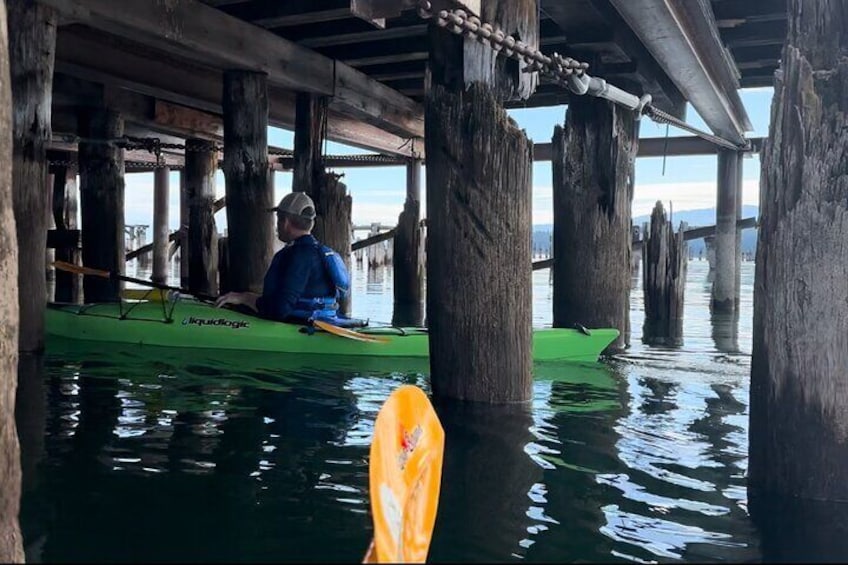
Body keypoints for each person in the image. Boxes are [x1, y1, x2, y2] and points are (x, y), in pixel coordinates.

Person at [215, 191, 349, 323]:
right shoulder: (319, 252)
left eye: (278, 218)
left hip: (302, 327)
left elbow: (280, 310)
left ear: (285, 221)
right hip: (322, 321)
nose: (277, 225)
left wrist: (244, 298)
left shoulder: (298, 255)